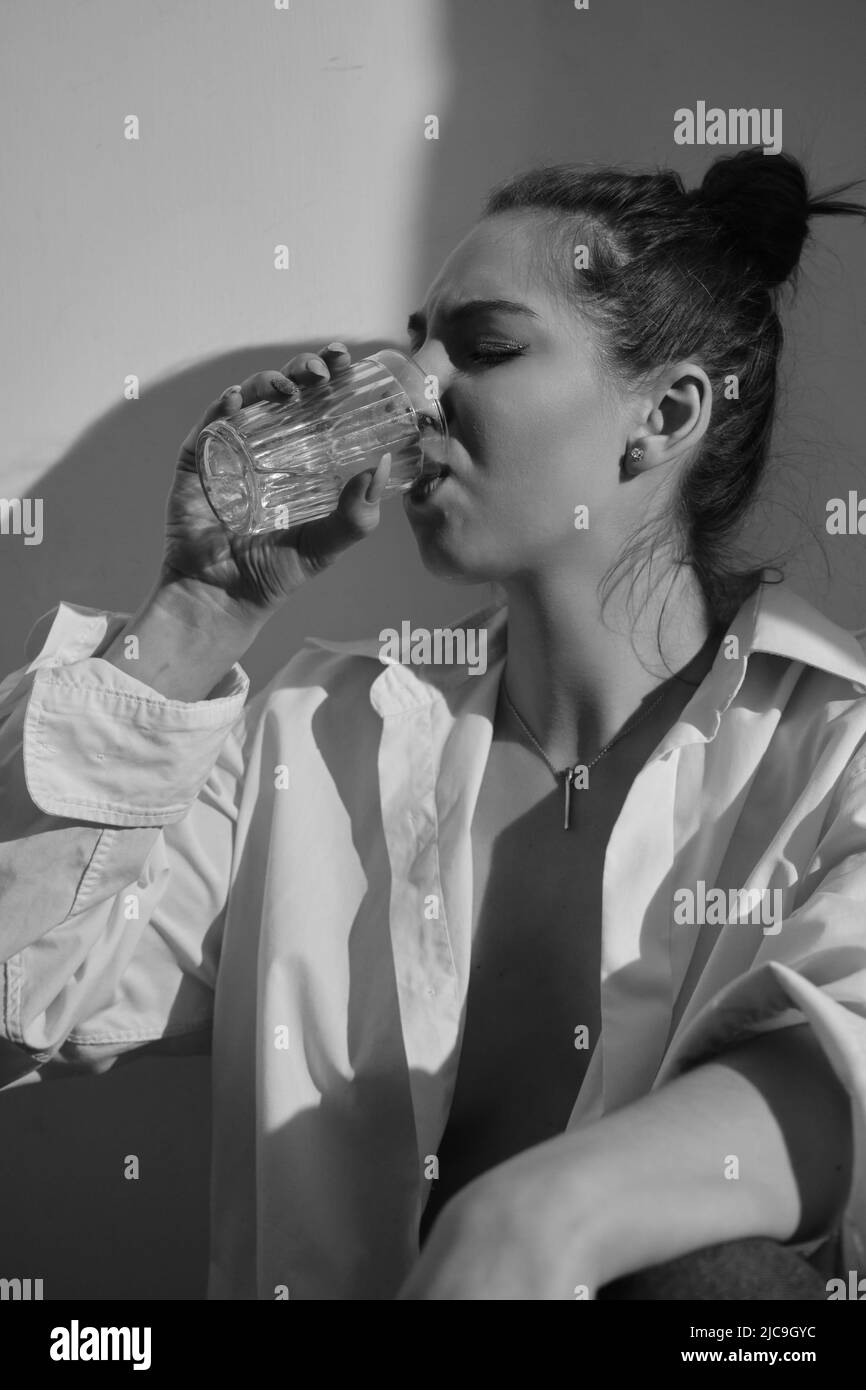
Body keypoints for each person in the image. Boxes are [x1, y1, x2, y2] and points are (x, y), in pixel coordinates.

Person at [1, 149, 865, 1301]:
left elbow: (846, 1055)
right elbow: (30, 996)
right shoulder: (315, 736)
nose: (410, 386)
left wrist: (530, 1217)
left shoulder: (835, 753)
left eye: (484, 346)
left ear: (663, 414)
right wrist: (202, 607)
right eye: (415, 341)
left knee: (731, 1291)